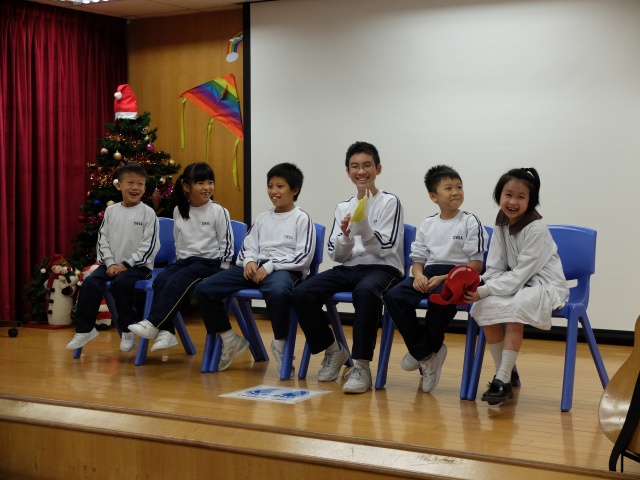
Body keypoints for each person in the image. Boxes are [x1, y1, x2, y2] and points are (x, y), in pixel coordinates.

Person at [292, 141, 404, 394]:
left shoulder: (390, 202)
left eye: (367, 165)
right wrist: (346, 236)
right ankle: (333, 349)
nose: (361, 171)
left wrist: (363, 230)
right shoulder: (344, 207)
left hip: (383, 268)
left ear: (378, 169)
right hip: (350, 268)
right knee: (301, 292)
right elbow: (337, 254)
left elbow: (386, 248)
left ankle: (361, 366)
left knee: (366, 291)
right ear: (348, 172)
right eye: (355, 166)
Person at [194, 162, 315, 379]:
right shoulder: (262, 218)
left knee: (278, 292)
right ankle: (229, 339)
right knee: (205, 288)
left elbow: (303, 257)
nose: (273, 191)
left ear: (294, 190)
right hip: (255, 267)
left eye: (280, 186)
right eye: (270, 186)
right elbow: (248, 246)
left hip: (284, 269)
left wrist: (271, 265)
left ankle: (280, 345)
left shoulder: (301, 218)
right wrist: (249, 260)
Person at [464, 167, 569, 405]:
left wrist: (486, 289)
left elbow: (522, 274)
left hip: (543, 283)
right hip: (514, 281)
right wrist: (483, 288)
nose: (513, 202)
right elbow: (494, 267)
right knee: (484, 306)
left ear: (530, 201)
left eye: (521, 197)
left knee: (516, 307)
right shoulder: (500, 223)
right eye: (508, 195)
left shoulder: (536, 229)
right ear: (499, 195)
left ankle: (501, 380)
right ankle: (505, 373)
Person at [383, 165, 489, 393]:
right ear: (434, 196)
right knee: (393, 296)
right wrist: (419, 276)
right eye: (448, 188)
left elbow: (476, 266)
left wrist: (443, 278)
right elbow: (418, 260)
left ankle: (423, 350)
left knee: (440, 298)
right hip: (430, 273)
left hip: (460, 275)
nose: (456, 192)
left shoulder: (470, 221)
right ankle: (426, 354)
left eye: (459, 187)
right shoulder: (428, 224)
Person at [127, 162, 234, 352]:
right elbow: (178, 241)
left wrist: (223, 270)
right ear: (186, 186)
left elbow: (227, 242)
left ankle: (153, 322)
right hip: (186, 262)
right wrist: (178, 263)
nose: (207, 187)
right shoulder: (179, 210)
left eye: (210, 182)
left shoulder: (218, 211)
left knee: (182, 278)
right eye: (200, 183)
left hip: (211, 263)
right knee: (162, 280)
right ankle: (167, 332)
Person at [66, 162, 160, 351]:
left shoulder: (148, 213)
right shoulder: (111, 211)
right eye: (130, 182)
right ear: (119, 185)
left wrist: (126, 265)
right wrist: (109, 263)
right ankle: (85, 330)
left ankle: (127, 329)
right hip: (111, 265)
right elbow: (103, 240)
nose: (135, 187)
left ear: (145, 187)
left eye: (140, 184)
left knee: (121, 283)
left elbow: (149, 246)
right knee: (90, 283)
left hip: (137, 266)